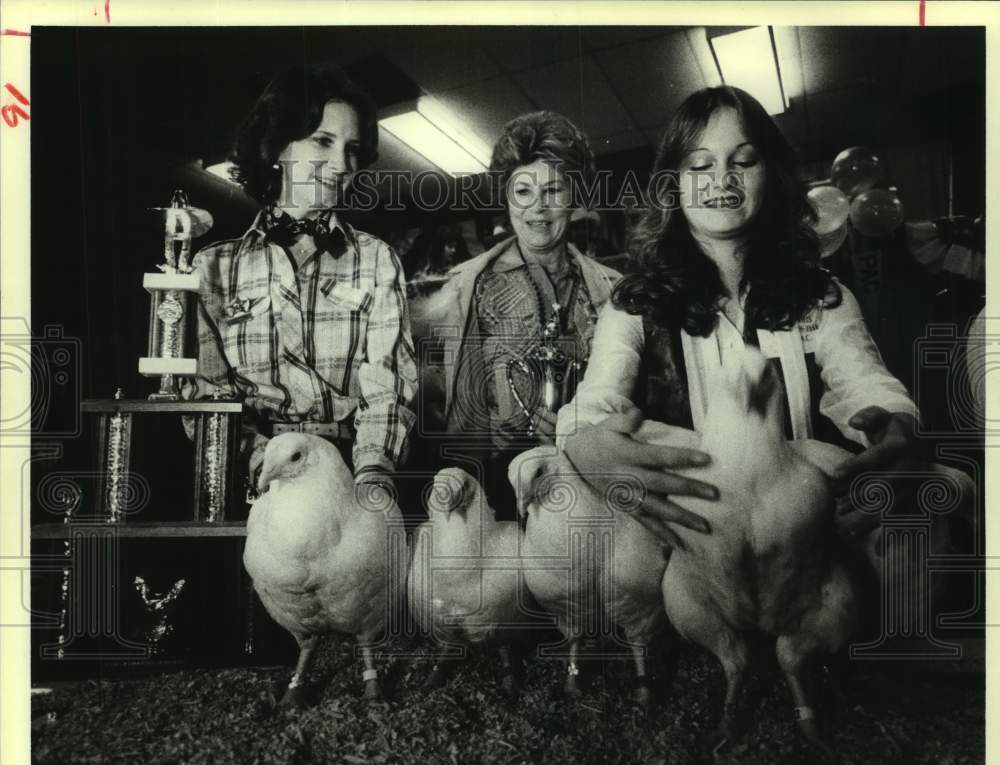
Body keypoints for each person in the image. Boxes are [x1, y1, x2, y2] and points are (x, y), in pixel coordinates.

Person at [558, 85, 920, 548]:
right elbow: (593, 404)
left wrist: (895, 426)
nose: (721, 180)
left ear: (771, 174)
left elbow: (867, 384)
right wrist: (581, 444)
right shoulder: (633, 303)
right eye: (700, 165)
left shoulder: (822, 295)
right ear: (673, 182)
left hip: (807, 536)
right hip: (692, 548)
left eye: (743, 161)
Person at [184, 65, 417, 495]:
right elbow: (206, 395)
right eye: (323, 141)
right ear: (278, 147)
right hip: (256, 485)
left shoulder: (377, 260)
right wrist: (263, 465)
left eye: (352, 149)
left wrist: (371, 478)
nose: (340, 164)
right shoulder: (212, 268)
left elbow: (389, 387)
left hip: (350, 481)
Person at [429, 111, 629, 519]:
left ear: (575, 197)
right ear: (506, 198)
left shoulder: (611, 289)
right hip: (500, 496)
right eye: (523, 191)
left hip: (594, 486)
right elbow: (459, 422)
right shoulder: (465, 289)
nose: (538, 207)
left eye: (554, 190)